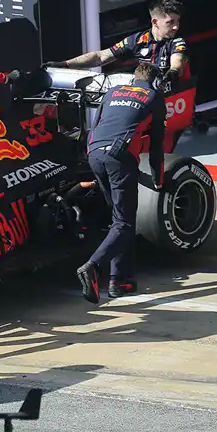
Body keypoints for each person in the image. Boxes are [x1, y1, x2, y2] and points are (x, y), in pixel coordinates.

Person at [77, 63, 166, 303]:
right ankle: (93, 266)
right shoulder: (154, 96)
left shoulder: (112, 92)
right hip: (120, 156)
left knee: (119, 220)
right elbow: (157, 146)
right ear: (156, 81)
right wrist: (158, 177)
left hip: (94, 154)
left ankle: (120, 281)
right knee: (124, 222)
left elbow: (94, 127)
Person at [43, 0, 189, 90]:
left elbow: (177, 63)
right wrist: (64, 65)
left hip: (173, 98)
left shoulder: (177, 41)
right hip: (145, 95)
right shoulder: (137, 40)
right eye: (170, 22)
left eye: (178, 21)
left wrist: (172, 74)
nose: (176, 27)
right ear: (154, 22)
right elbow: (100, 57)